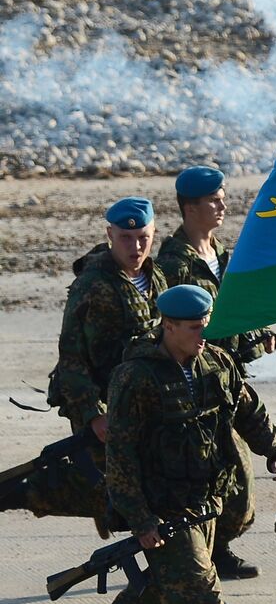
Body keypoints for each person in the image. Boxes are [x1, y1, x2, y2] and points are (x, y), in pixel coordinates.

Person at [74, 285, 276, 604]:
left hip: (205, 507)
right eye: (195, 327)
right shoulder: (135, 378)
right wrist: (140, 519)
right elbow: (121, 456)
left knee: (166, 595)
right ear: (169, 326)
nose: (203, 334)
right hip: (163, 513)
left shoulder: (215, 363)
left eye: (206, 326)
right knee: (200, 602)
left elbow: (247, 409)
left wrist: (275, 450)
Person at [1, 198, 169, 529]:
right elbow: (71, 358)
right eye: (125, 238)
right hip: (100, 402)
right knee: (111, 493)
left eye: (143, 238)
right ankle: (20, 494)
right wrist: (94, 413)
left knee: (142, 488)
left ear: (154, 234)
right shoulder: (92, 285)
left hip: (140, 400)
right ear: (110, 234)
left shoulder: (156, 277)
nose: (135, 247)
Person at [156, 165, 276, 581]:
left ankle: (213, 548)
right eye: (213, 200)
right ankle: (205, 550)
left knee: (232, 478)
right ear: (190, 208)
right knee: (220, 474)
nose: (222, 205)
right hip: (195, 385)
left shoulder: (223, 256)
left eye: (222, 197)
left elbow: (236, 312)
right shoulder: (172, 264)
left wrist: (260, 333)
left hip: (228, 380)